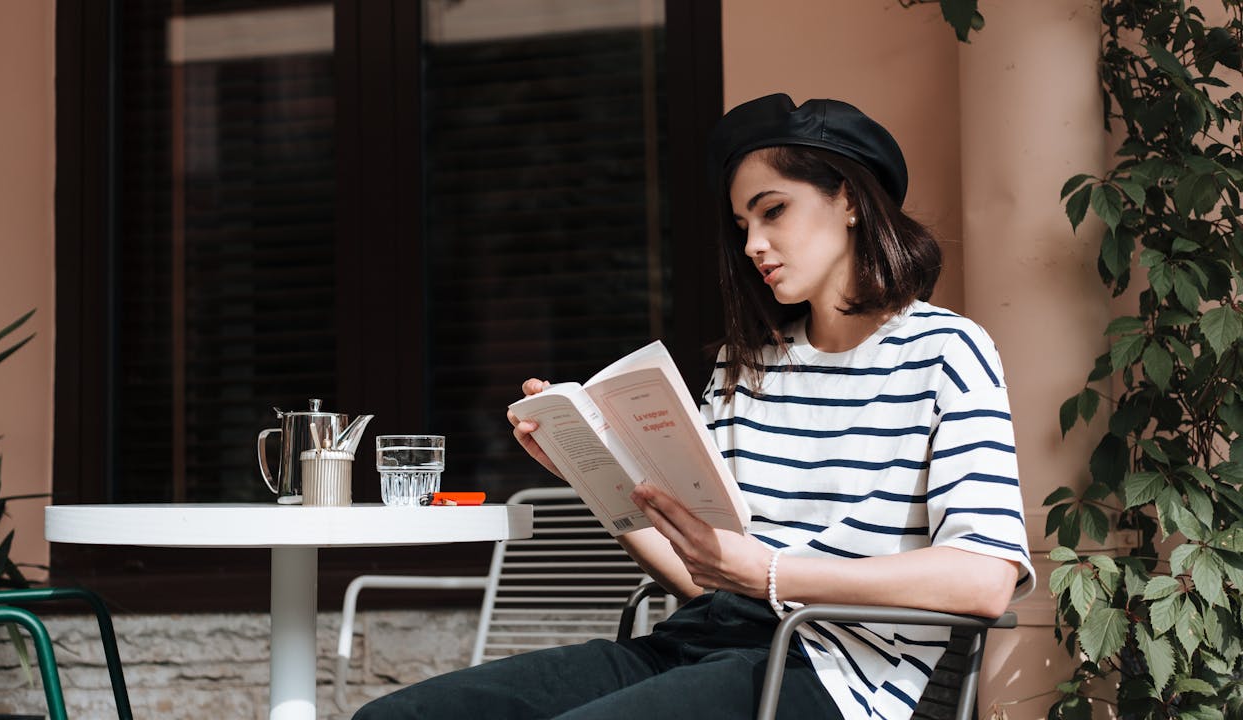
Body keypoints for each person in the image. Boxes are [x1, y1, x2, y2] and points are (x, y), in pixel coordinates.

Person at [353, 93, 1035, 720]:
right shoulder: (748, 367)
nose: (752, 245)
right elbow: (699, 573)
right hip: (697, 642)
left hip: (830, 675)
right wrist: (594, 473)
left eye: (774, 211)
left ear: (850, 200)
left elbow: (984, 579)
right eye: (742, 223)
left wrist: (767, 573)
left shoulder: (945, 350)